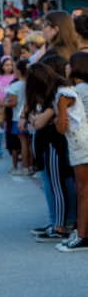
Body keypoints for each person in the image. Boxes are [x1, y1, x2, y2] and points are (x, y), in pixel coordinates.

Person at [25, 62, 77, 242]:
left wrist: (34, 119)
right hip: (51, 144)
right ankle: (59, 224)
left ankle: (60, 227)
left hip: (54, 145)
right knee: (58, 184)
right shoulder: (56, 92)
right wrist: (35, 119)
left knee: (57, 186)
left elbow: (38, 123)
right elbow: (35, 119)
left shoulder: (57, 94)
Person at [54, 52, 88, 251]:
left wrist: (58, 118)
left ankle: (82, 235)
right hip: (82, 139)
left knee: (83, 190)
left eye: (69, 64)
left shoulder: (77, 90)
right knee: (82, 189)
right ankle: (81, 233)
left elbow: (63, 125)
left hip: (80, 141)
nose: (66, 67)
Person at [3, 60, 31, 175]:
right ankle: (32, 165)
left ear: (18, 71)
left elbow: (13, 103)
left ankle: (25, 167)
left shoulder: (14, 85)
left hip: (17, 117)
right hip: (30, 117)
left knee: (23, 143)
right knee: (30, 142)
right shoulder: (30, 85)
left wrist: (2, 104)